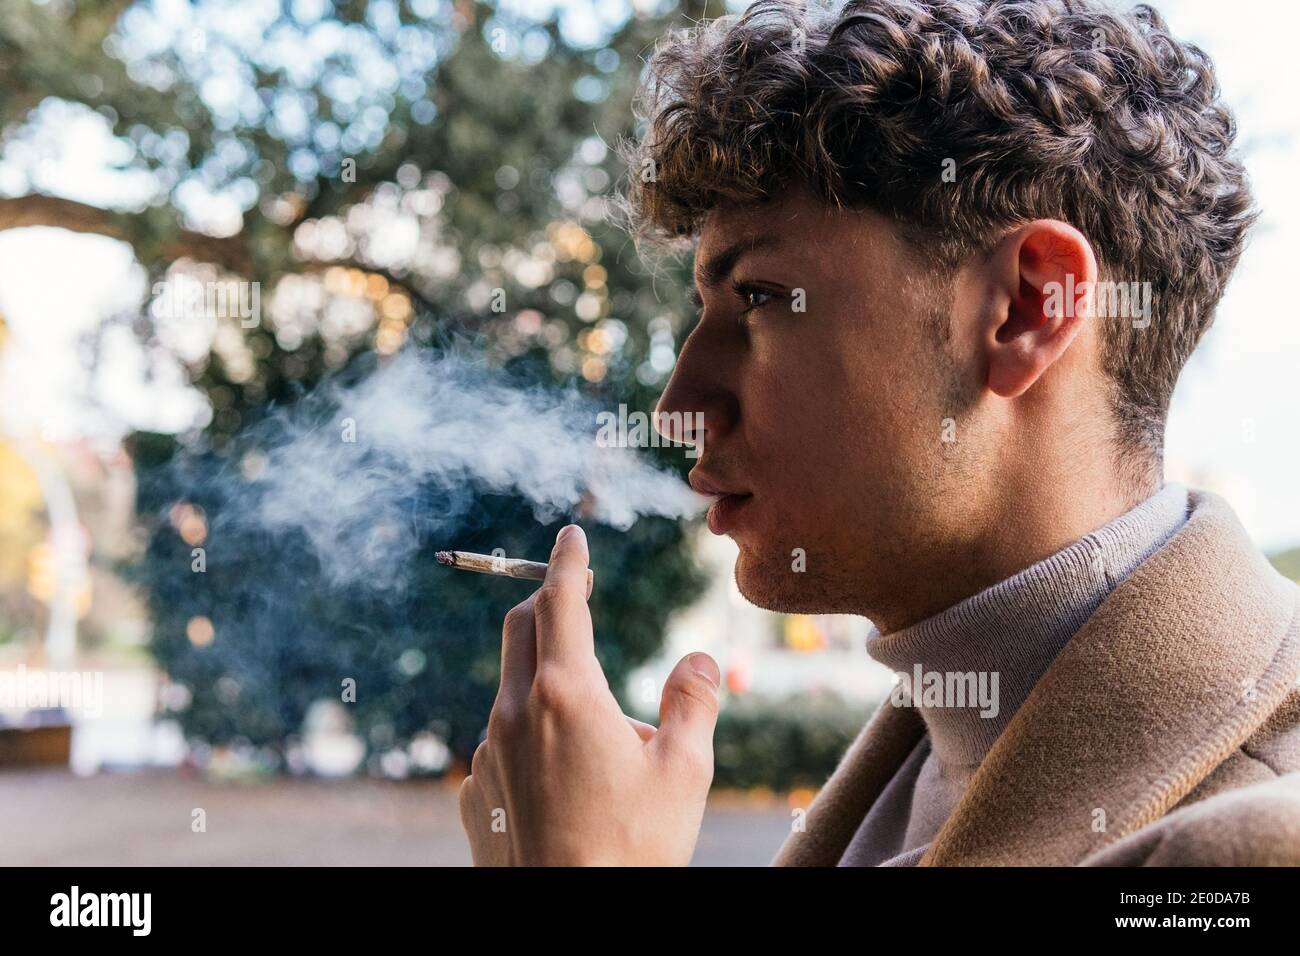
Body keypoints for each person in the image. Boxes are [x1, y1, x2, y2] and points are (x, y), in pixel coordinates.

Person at [457, 0, 1300, 865]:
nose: (677, 407)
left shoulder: (1253, 850)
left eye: (759, 299)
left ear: (1027, 310)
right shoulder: (935, 742)